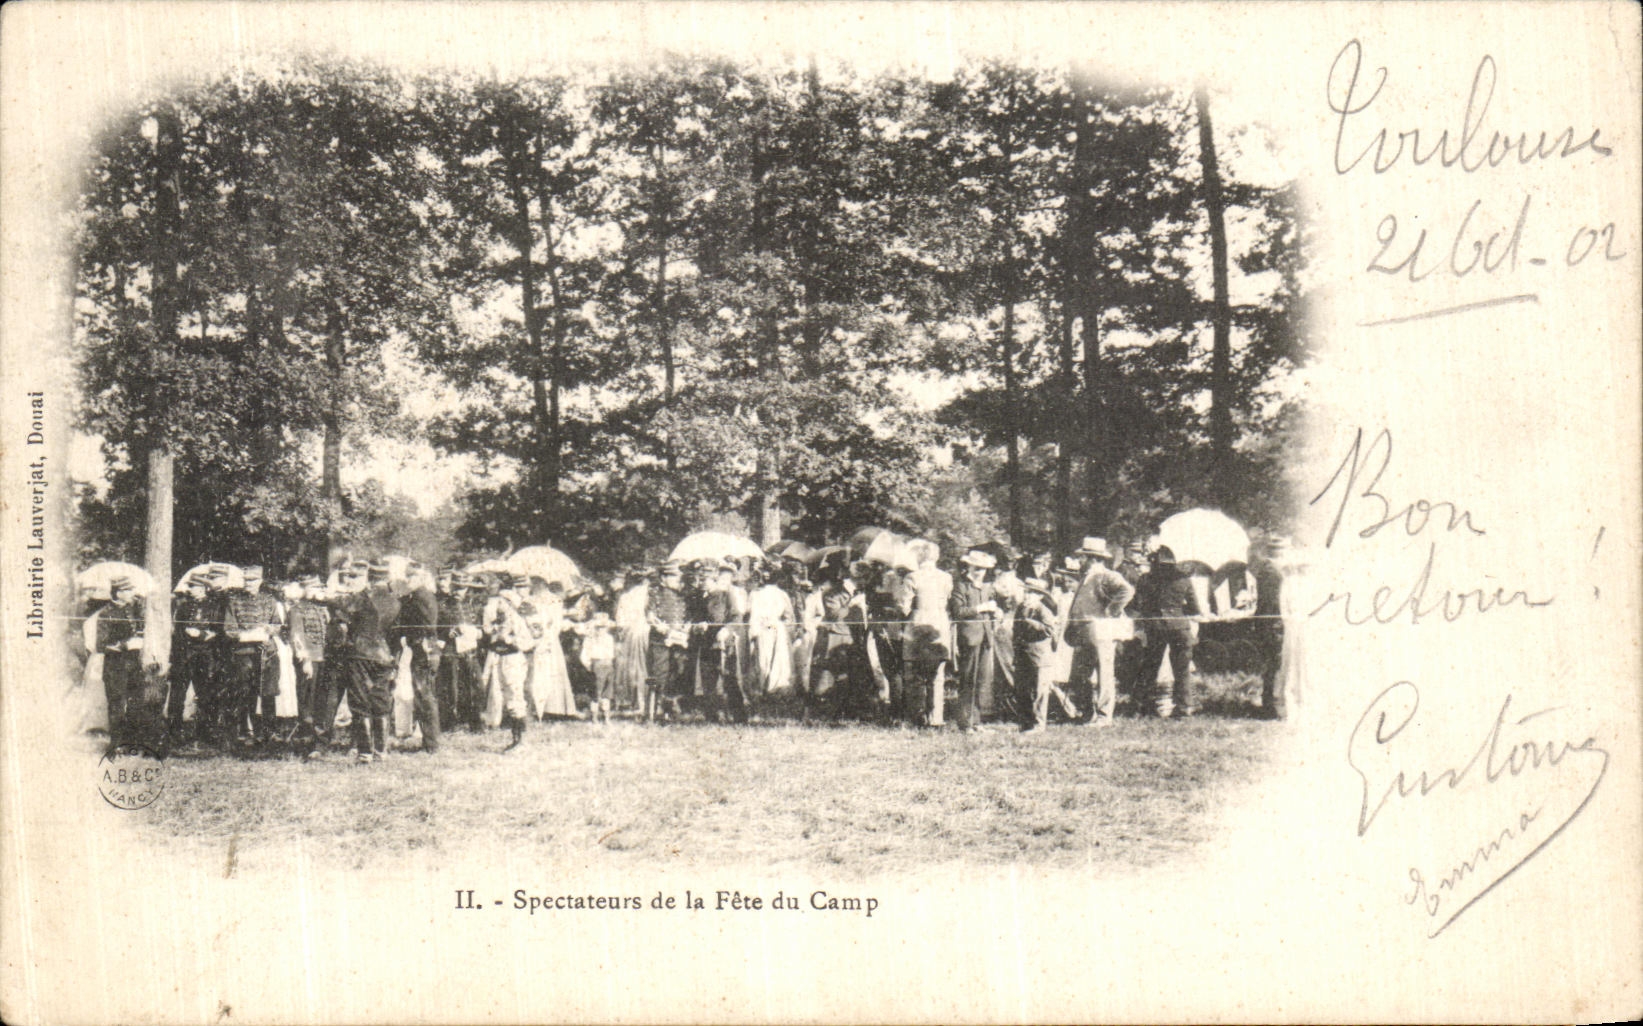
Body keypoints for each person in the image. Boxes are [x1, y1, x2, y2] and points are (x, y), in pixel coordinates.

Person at [333, 561, 401, 762]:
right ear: (387, 579)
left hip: (360, 654)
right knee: (381, 700)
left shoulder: (361, 598)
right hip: (384, 656)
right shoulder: (396, 602)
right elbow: (397, 635)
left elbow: (339, 613)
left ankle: (365, 752)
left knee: (360, 701)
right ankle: (381, 751)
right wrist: (394, 659)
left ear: (370, 578)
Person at [1065, 537, 1135, 726]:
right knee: (1081, 673)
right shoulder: (1087, 576)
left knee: (1104, 672)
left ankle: (1104, 716)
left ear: (1093, 558)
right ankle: (1087, 713)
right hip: (1084, 630)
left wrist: (1111, 610)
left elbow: (1127, 591)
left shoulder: (1105, 575)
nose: (1079, 560)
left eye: (1083, 557)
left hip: (1100, 630)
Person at [1133, 545, 1204, 718]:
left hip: (1155, 627)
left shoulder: (1146, 579)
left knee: (1150, 667)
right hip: (1179, 627)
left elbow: (1136, 604)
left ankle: (1143, 706)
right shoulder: (1184, 579)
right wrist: (1177, 610)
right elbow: (1195, 609)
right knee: (1182, 669)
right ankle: (1185, 706)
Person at [220, 564, 282, 753]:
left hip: (267, 653)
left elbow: (277, 624)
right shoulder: (234, 601)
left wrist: (269, 631)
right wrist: (246, 636)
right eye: (246, 580)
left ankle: (269, 731)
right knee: (245, 693)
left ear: (260, 581)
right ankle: (246, 731)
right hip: (243, 653)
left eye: (253, 580)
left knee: (268, 692)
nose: (249, 584)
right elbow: (229, 628)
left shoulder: (269, 600)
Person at [99, 575, 159, 750]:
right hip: (115, 666)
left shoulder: (133, 609)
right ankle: (116, 744)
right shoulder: (106, 613)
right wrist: (126, 645)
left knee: (136, 703)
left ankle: (132, 742)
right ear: (118, 593)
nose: (132, 593)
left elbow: (140, 628)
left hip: (133, 664)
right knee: (117, 705)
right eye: (128, 590)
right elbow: (101, 644)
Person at [949, 548, 1001, 733]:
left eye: (983, 568)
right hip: (969, 638)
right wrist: (981, 608)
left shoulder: (987, 587)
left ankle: (976, 722)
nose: (980, 571)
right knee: (968, 680)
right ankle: (965, 723)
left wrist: (997, 612)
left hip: (986, 638)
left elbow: (992, 610)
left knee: (981, 681)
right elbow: (958, 612)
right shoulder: (961, 586)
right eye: (976, 568)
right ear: (969, 567)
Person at [903, 539, 952, 727]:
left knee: (915, 675)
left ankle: (917, 717)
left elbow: (904, 607)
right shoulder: (946, 577)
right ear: (936, 557)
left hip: (918, 627)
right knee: (937, 675)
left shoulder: (912, 577)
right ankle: (936, 717)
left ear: (918, 557)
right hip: (939, 626)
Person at [483, 573, 534, 751]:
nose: (499, 605)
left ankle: (521, 740)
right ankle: (515, 738)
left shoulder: (517, 620)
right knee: (507, 698)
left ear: (509, 603)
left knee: (515, 698)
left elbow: (529, 642)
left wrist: (510, 640)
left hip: (513, 660)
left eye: (502, 602)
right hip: (501, 659)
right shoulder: (500, 620)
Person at [395, 565, 443, 751]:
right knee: (423, 695)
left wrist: (411, 638)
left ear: (421, 578)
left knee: (425, 696)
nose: (407, 580)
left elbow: (428, 627)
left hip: (424, 650)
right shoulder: (417, 596)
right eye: (407, 576)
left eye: (412, 577)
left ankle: (431, 743)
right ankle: (429, 741)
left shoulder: (422, 597)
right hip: (422, 649)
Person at [696, 561, 749, 723]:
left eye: (704, 580)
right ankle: (711, 717)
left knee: (730, 679)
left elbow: (736, 617)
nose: (701, 583)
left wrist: (727, 629)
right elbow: (696, 620)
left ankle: (739, 716)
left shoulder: (726, 596)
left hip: (724, 645)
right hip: (707, 644)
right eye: (700, 579)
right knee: (708, 682)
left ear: (713, 580)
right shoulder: (701, 599)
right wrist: (699, 626)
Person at [168, 574, 216, 750]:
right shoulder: (183, 606)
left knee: (204, 695)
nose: (191, 590)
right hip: (183, 656)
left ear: (203, 588)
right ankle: (174, 733)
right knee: (177, 695)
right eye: (190, 586)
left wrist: (201, 635)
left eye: (194, 586)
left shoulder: (213, 607)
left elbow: (218, 631)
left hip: (204, 656)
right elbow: (177, 632)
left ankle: (204, 733)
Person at [286, 574, 332, 759]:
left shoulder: (322, 609)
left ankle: (319, 742)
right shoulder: (297, 610)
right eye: (313, 588)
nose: (316, 591)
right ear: (304, 589)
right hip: (309, 661)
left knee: (322, 701)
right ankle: (306, 742)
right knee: (307, 701)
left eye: (318, 587)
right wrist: (305, 660)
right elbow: (296, 636)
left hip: (324, 659)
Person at [437, 572, 486, 731]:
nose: (458, 591)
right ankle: (450, 723)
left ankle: (475, 722)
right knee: (451, 687)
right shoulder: (442, 605)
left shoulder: (473, 605)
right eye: (456, 587)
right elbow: (435, 629)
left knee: (476, 685)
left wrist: (478, 633)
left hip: (470, 650)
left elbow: (482, 628)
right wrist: (447, 633)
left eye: (462, 588)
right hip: (451, 651)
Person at [524, 579, 578, 720]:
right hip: (532, 640)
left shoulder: (554, 600)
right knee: (534, 674)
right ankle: (533, 708)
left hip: (549, 641)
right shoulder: (528, 599)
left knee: (551, 673)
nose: (531, 586)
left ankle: (553, 708)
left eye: (533, 583)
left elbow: (556, 624)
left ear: (541, 583)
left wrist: (546, 638)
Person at [645, 562, 691, 722]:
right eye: (673, 577)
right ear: (664, 578)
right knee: (659, 675)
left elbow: (688, 616)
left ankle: (670, 709)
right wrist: (660, 627)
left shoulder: (682, 596)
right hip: (660, 641)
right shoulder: (655, 594)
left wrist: (686, 628)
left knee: (677, 673)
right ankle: (654, 710)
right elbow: (650, 616)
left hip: (679, 642)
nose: (677, 580)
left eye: (678, 577)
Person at [1016, 577, 1062, 733]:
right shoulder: (1021, 608)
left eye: (1031, 593)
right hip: (1023, 654)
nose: (1027, 595)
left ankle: (1038, 724)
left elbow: (1050, 630)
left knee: (1039, 691)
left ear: (1040, 596)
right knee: (1024, 689)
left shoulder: (1043, 610)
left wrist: (1033, 623)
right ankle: (1026, 723)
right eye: (1026, 592)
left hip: (1040, 657)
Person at [747, 562, 795, 698]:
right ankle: (772, 687)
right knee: (776, 657)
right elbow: (789, 615)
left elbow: (749, 612)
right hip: (773, 627)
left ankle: (765, 687)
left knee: (765, 657)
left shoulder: (756, 594)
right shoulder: (781, 594)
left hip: (763, 627)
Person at [578, 611, 618, 725]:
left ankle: (606, 717)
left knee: (607, 693)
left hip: (608, 665)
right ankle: (594, 718)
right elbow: (584, 655)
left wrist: (611, 662)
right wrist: (588, 665)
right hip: (596, 665)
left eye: (603, 627)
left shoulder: (609, 638)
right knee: (595, 693)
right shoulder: (590, 639)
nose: (601, 630)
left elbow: (612, 653)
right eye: (598, 627)